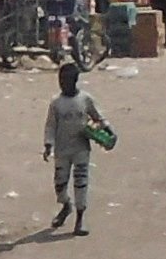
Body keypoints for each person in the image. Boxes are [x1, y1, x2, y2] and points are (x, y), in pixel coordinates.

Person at [42, 61, 114, 235]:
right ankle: (66, 205)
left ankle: (80, 219)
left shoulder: (85, 99)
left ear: (75, 81)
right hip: (62, 149)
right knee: (60, 183)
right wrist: (48, 144)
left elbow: (98, 116)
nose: (62, 84)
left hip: (81, 148)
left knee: (81, 182)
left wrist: (109, 131)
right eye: (61, 80)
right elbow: (50, 125)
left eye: (66, 80)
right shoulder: (56, 103)